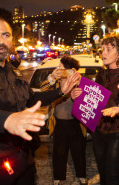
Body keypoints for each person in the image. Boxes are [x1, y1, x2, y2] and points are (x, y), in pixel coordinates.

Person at [0, 16, 80, 185]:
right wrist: (7, 120)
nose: (0, 41)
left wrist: (61, 91)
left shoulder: (12, 71)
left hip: (24, 157)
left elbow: (31, 99)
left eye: (6, 35)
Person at [72, 34, 119, 185]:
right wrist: (78, 95)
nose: (104, 53)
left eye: (109, 49)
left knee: (112, 178)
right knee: (103, 176)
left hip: (117, 132)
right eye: (103, 49)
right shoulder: (101, 74)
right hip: (98, 131)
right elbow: (94, 100)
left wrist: (118, 109)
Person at [51, 56, 88, 185]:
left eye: (61, 67)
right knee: (59, 152)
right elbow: (47, 95)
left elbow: (84, 101)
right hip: (59, 122)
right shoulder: (55, 81)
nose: (58, 69)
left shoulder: (78, 82)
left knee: (78, 151)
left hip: (74, 122)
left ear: (70, 69)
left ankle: (82, 175)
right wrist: (51, 78)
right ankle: (58, 177)